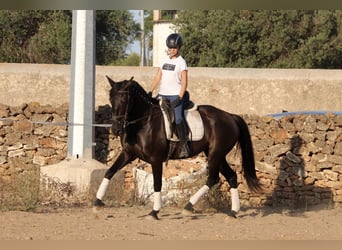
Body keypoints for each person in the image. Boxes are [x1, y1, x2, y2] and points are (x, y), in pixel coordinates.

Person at [149, 33, 190, 158]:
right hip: (162, 94)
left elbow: (184, 81)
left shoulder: (181, 62)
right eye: (170, 48)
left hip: (175, 96)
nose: (172, 50)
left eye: (174, 48)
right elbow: (157, 77)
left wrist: (180, 97)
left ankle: (184, 145)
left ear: (179, 48)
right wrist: (150, 91)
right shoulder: (164, 61)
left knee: (177, 119)